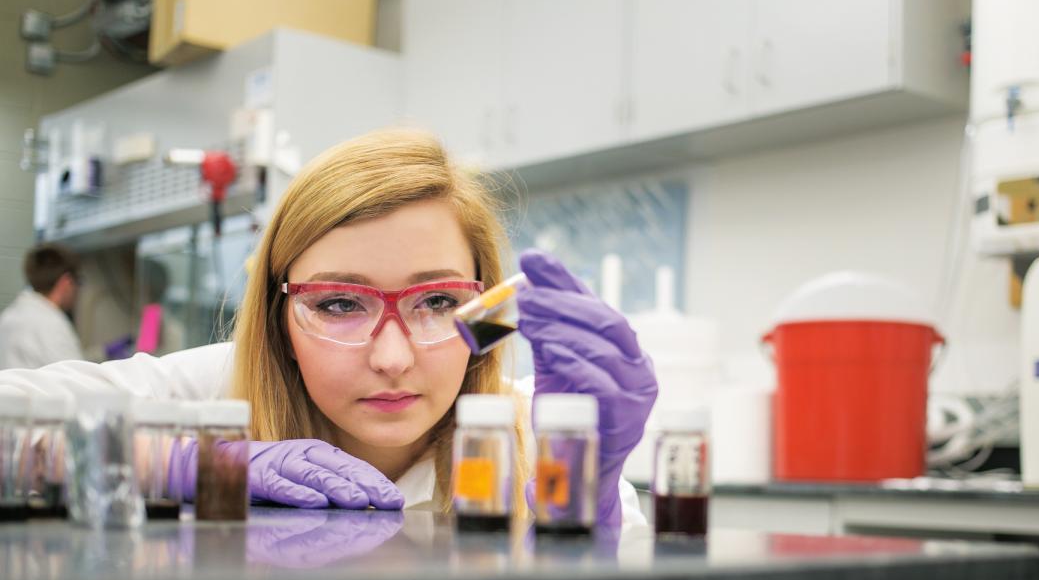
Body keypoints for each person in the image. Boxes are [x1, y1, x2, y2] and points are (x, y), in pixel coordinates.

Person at [0, 129, 658, 529]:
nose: (393, 358)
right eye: (341, 304)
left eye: (435, 300)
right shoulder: (215, 394)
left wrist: (590, 498)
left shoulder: (531, 435)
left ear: (484, 311)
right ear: (280, 316)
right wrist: (178, 464)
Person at [0, 244, 84, 369]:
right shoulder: (51, 323)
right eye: (77, 282)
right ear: (66, 282)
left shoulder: (8, 316)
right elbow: (76, 379)